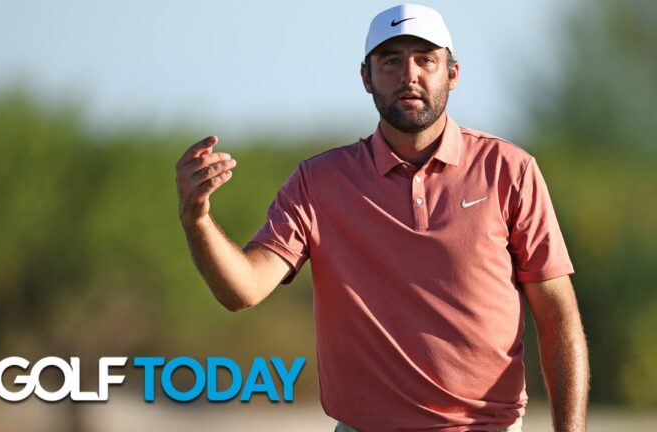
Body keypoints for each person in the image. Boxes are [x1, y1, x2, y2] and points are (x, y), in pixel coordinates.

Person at [175, 4, 589, 432]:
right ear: (366, 78)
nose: (409, 75)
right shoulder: (319, 181)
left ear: (453, 74)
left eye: (425, 60)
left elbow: (557, 317)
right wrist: (197, 220)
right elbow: (243, 289)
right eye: (391, 61)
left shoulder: (508, 170)